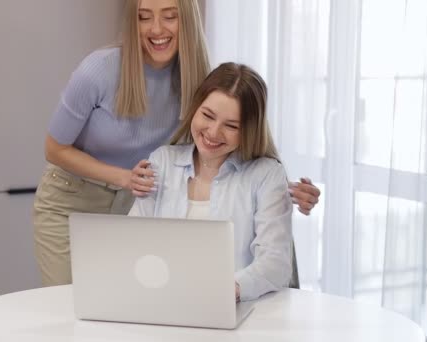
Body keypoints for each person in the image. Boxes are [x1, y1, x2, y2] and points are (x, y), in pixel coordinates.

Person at [33, 0, 319, 287]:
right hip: (73, 197)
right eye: (144, 17)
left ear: (188, 21)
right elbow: (54, 148)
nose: (156, 29)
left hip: (135, 193)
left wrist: (280, 188)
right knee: (71, 303)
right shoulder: (99, 70)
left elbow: (229, 134)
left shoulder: (196, 77)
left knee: (112, 297)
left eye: (170, 16)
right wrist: (125, 177)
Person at [129, 62, 292, 301]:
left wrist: (231, 289)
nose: (214, 133)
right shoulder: (162, 162)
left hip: (232, 308)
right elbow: (132, 240)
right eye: (208, 115)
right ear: (195, 108)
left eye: (231, 126)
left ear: (249, 130)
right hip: (161, 302)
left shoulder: (266, 175)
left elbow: (275, 263)